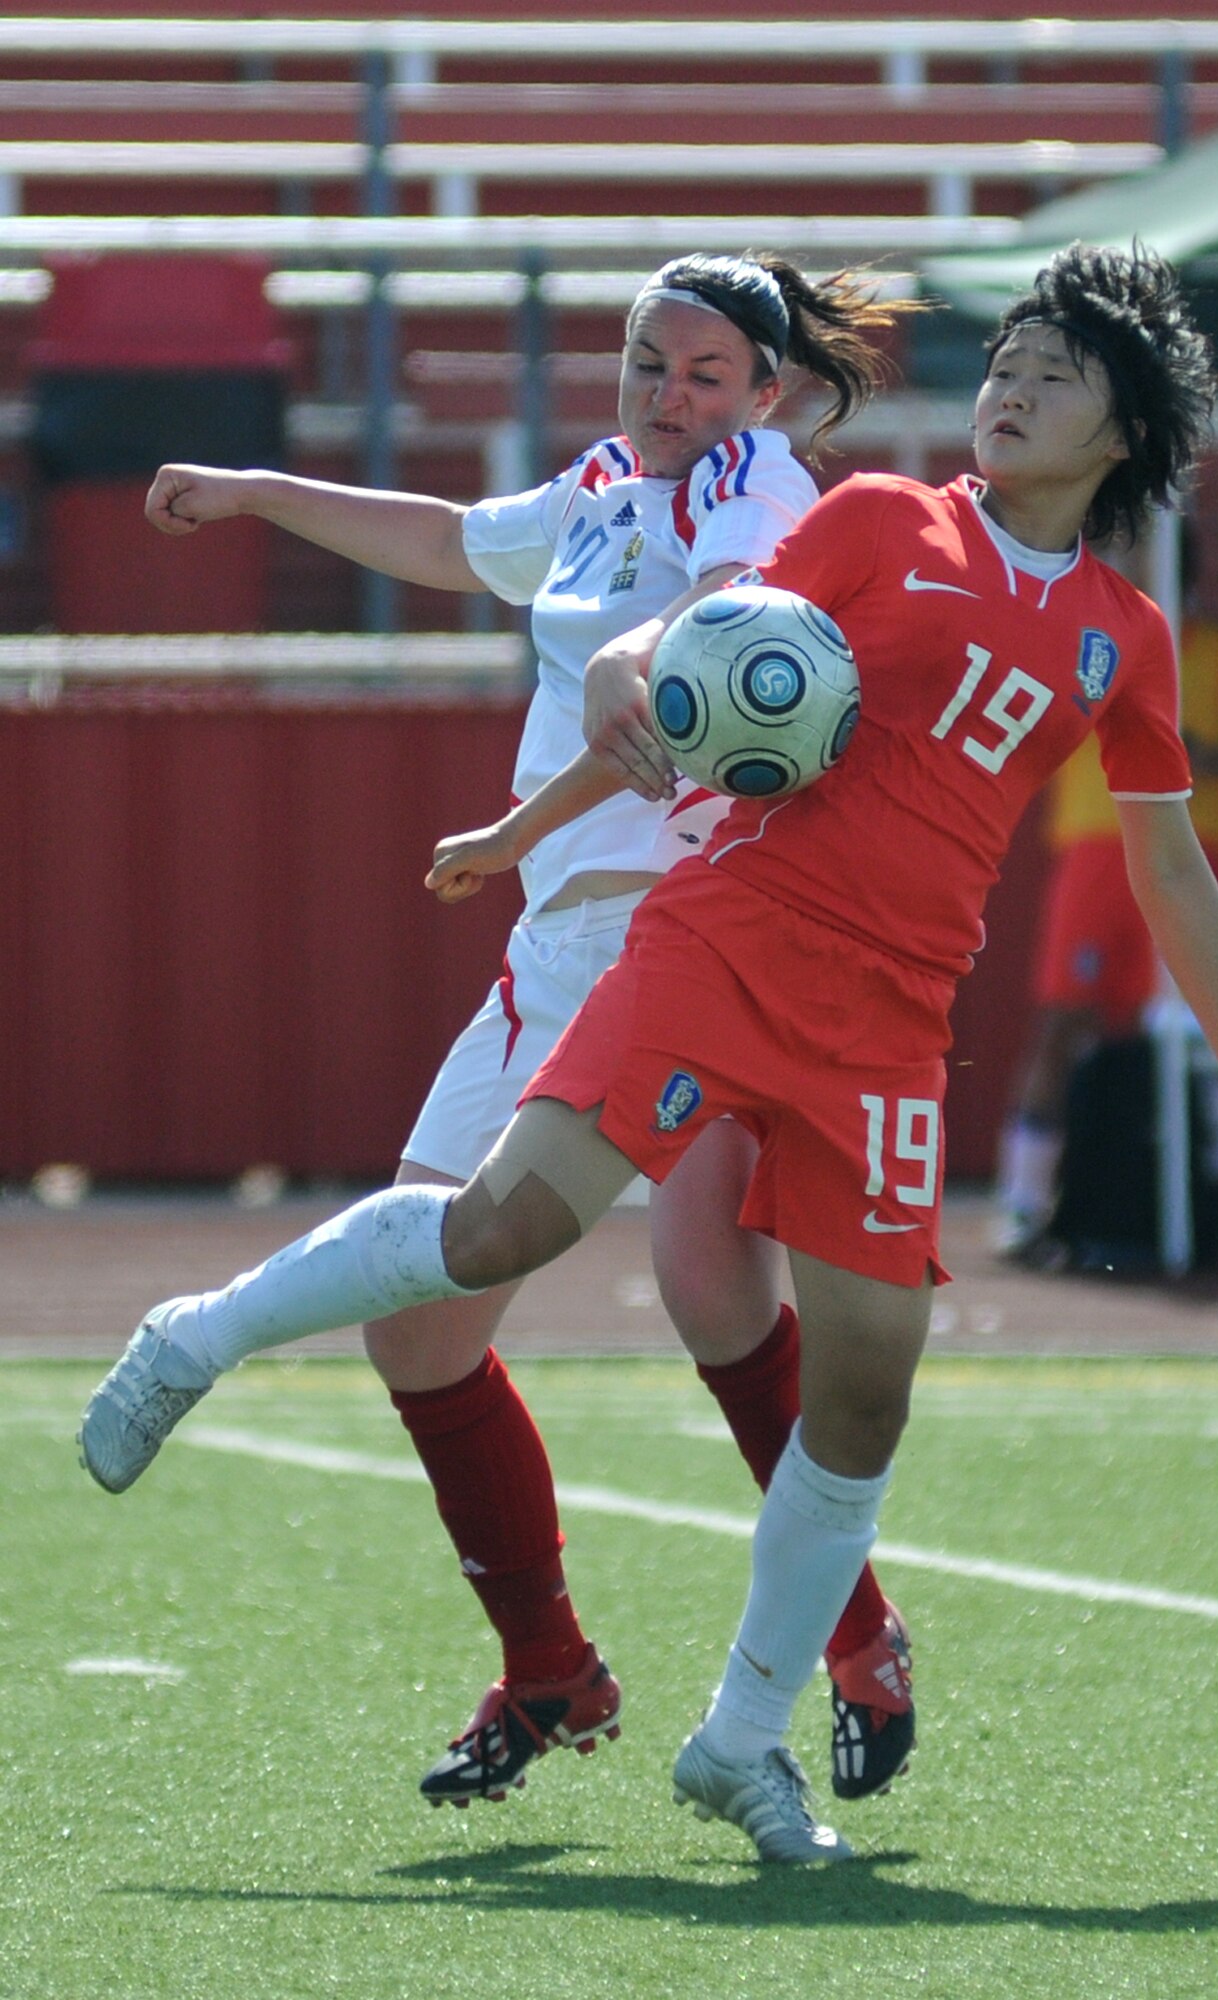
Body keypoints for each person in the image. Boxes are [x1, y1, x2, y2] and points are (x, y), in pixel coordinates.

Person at [80, 242, 1218, 1864]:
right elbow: (699, 652)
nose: (1009, 389)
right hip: (725, 938)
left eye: (1051, 374)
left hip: (892, 1018)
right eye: (1003, 362)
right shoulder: (876, 522)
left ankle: (740, 1742)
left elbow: (1167, 864)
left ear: (1126, 431)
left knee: (861, 1396)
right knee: (499, 1230)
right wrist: (595, 711)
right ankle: (198, 1335)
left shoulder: (1123, 637)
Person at [125, 254, 922, 1811]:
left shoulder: (757, 484)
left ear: (766, 392)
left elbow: (700, 644)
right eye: (647, 363)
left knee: (713, 1292)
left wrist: (526, 803)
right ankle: (552, 1669)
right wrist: (252, 491)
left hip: (700, 933)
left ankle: (858, 1637)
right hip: (557, 950)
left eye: (705, 372)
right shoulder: (605, 483)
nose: (670, 395)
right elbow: (452, 542)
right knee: (417, 1323)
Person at [994, 526, 1218, 1254]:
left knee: (1196, 1025)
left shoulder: (1217, 653)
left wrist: (1199, 753)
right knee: (1065, 1020)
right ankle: (1024, 1201)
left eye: (1142, 549)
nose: (1125, 561)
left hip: (1192, 849)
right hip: (1096, 848)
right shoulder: (1078, 634)